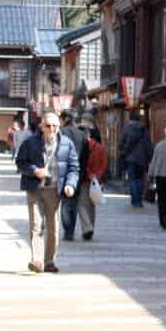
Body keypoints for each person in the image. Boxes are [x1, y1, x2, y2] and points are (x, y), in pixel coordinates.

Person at [16, 112, 80, 273]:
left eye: (55, 126)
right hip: (35, 188)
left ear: (59, 127)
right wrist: (34, 170)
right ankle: (37, 260)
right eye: (48, 126)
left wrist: (70, 184)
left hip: (54, 190)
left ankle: (49, 260)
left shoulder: (67, 144)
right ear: (41, 127)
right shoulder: (30, 143)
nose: (51, 129)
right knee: (36, 225)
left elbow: (74, 167)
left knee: (53, 227)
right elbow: (20, 162)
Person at [72, 114, 108, 241]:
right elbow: (104, 163)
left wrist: (88, 174)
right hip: (96, 181)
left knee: (81, 204)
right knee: (92, 205)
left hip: (84, 179)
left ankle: (87, 228)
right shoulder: (100, 148)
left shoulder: (80, 147)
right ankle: (90, 227)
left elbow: (82, 164)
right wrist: (98, 175)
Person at [59, 111, 92, 242]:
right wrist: (82, 172)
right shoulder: (82, 135)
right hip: (78, 173)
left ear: (65, 119)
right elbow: (86, 156)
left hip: (62, 172)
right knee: (73, 201)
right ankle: (70, 230)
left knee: (65, 202)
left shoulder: (60, 132)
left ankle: (68, 231)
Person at [120, 112, 152, 209]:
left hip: (131, 158)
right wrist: (149, 157)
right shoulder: (144, 129)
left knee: (132, 179)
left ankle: (135, 200)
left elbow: (121, 142)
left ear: (130, 118)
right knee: (140, 179)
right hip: (142, 159)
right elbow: (148, 144)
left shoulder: (126, 128)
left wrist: (123, 151)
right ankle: (139, 200)